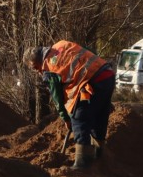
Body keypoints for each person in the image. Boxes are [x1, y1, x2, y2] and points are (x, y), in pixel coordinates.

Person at [24, 41, 115, 169]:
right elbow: (87, 51)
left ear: (38, 60)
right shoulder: (61, 44)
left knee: (78, 119)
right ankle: (98, 155)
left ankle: (82, 163)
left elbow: (57, 98)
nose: (38, 71)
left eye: (35, 67)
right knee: (99, 116)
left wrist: (66, 118)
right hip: (107, 75)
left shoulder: (49, 67)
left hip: (91, 83)